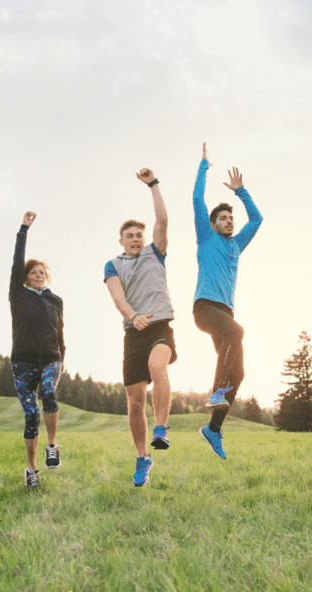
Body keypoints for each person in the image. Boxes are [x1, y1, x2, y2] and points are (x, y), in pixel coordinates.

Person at [104, 168, 178, 487]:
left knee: (157, 364)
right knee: (135, 399)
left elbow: (162, 220)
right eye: (130, 236)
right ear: (121, 240)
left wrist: (153, 185)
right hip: (133, 332)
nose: (135, 239)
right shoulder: (113, 264)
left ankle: (161, 429)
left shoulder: (155, 253)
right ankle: (142, 457)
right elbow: (117, 297)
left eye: (139, 235)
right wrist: (133, 316)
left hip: (160, 327)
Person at [191, 142, 263, 459]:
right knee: (237, 332)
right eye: (223, 218)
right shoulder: (205, 238)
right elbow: (196, 199)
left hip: (225, 312)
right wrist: (205, 165)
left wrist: (241, 191)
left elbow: (257, 219)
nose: (229, 221)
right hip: (205, 308)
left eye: (230, 219)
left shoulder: (236, 245)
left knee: (241, 373)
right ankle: (217, 388)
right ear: (212, 224)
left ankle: (213, 429)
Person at [10, 211, 65, 488]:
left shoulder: (56, 300)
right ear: (25, 277)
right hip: (22, 362)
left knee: (49, 392)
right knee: (31, 414)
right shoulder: (17, 296)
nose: (38, 275)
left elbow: (60, 332)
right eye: (33, 272)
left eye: (41, 272)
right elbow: (17, 260)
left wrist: (62, 359)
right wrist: (24, 229)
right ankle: (32, 468)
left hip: (51, 359)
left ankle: (52, 445)